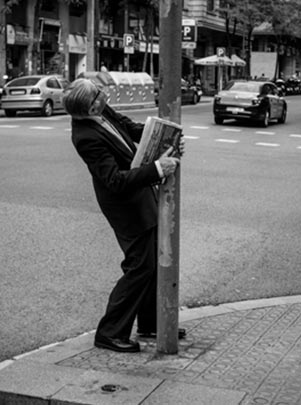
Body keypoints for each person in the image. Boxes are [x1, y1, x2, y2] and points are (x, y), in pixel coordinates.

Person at [63, 78, 185, 353]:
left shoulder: (101, 110)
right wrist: (158, 169)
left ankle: (152, 323)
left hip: (141, 199)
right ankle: (109, 332)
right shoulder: (85, 137)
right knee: (139, 268)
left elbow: (130, 128)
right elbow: (114, 181)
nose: (105, 96)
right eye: (99, 96)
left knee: (151, 265)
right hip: (126, 208)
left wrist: (167, 138)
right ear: (89, 107)